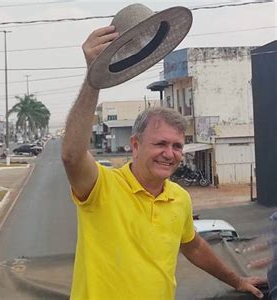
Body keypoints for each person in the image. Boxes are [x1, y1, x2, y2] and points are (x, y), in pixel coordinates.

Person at [61, 25, 267, 299]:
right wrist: (93, 77)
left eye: (177, 146)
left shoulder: (179, 198)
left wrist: (237, 280)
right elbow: (72, 155)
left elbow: (192, 246)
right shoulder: (102, 187)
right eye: (160, 143)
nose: (169, 153)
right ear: (135, 145)